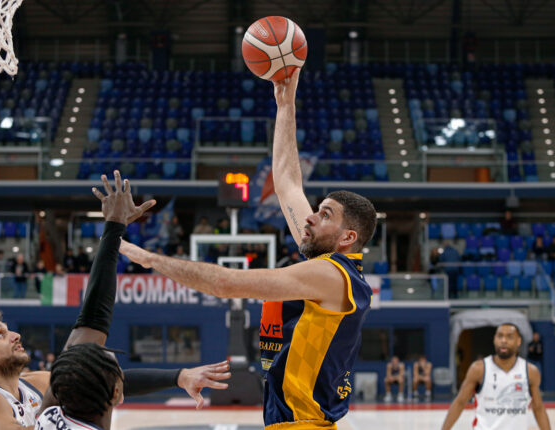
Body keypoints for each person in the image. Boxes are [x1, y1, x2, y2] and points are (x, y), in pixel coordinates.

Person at [120, 69, 378, 430]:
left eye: (324, 215)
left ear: (348, 237)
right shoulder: (331, 267)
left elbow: (225, 284)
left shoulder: (330, 274)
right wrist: (285, 105)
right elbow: (287, 183)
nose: (310, 217)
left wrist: (149, 259)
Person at [0, 172, 229, 430]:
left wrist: (179, 377)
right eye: (0, 334)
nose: (15, 335)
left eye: (7, 330)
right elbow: (88, 338)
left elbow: (97, 378)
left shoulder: (36, 383)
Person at [441, 323, 550, 430]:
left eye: (509, 337)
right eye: (500, 336)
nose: (503, 340)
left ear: (518, 341)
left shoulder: (530, 371)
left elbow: (538, 408)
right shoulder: (479, 369)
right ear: (494, 340)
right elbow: (460, 402)